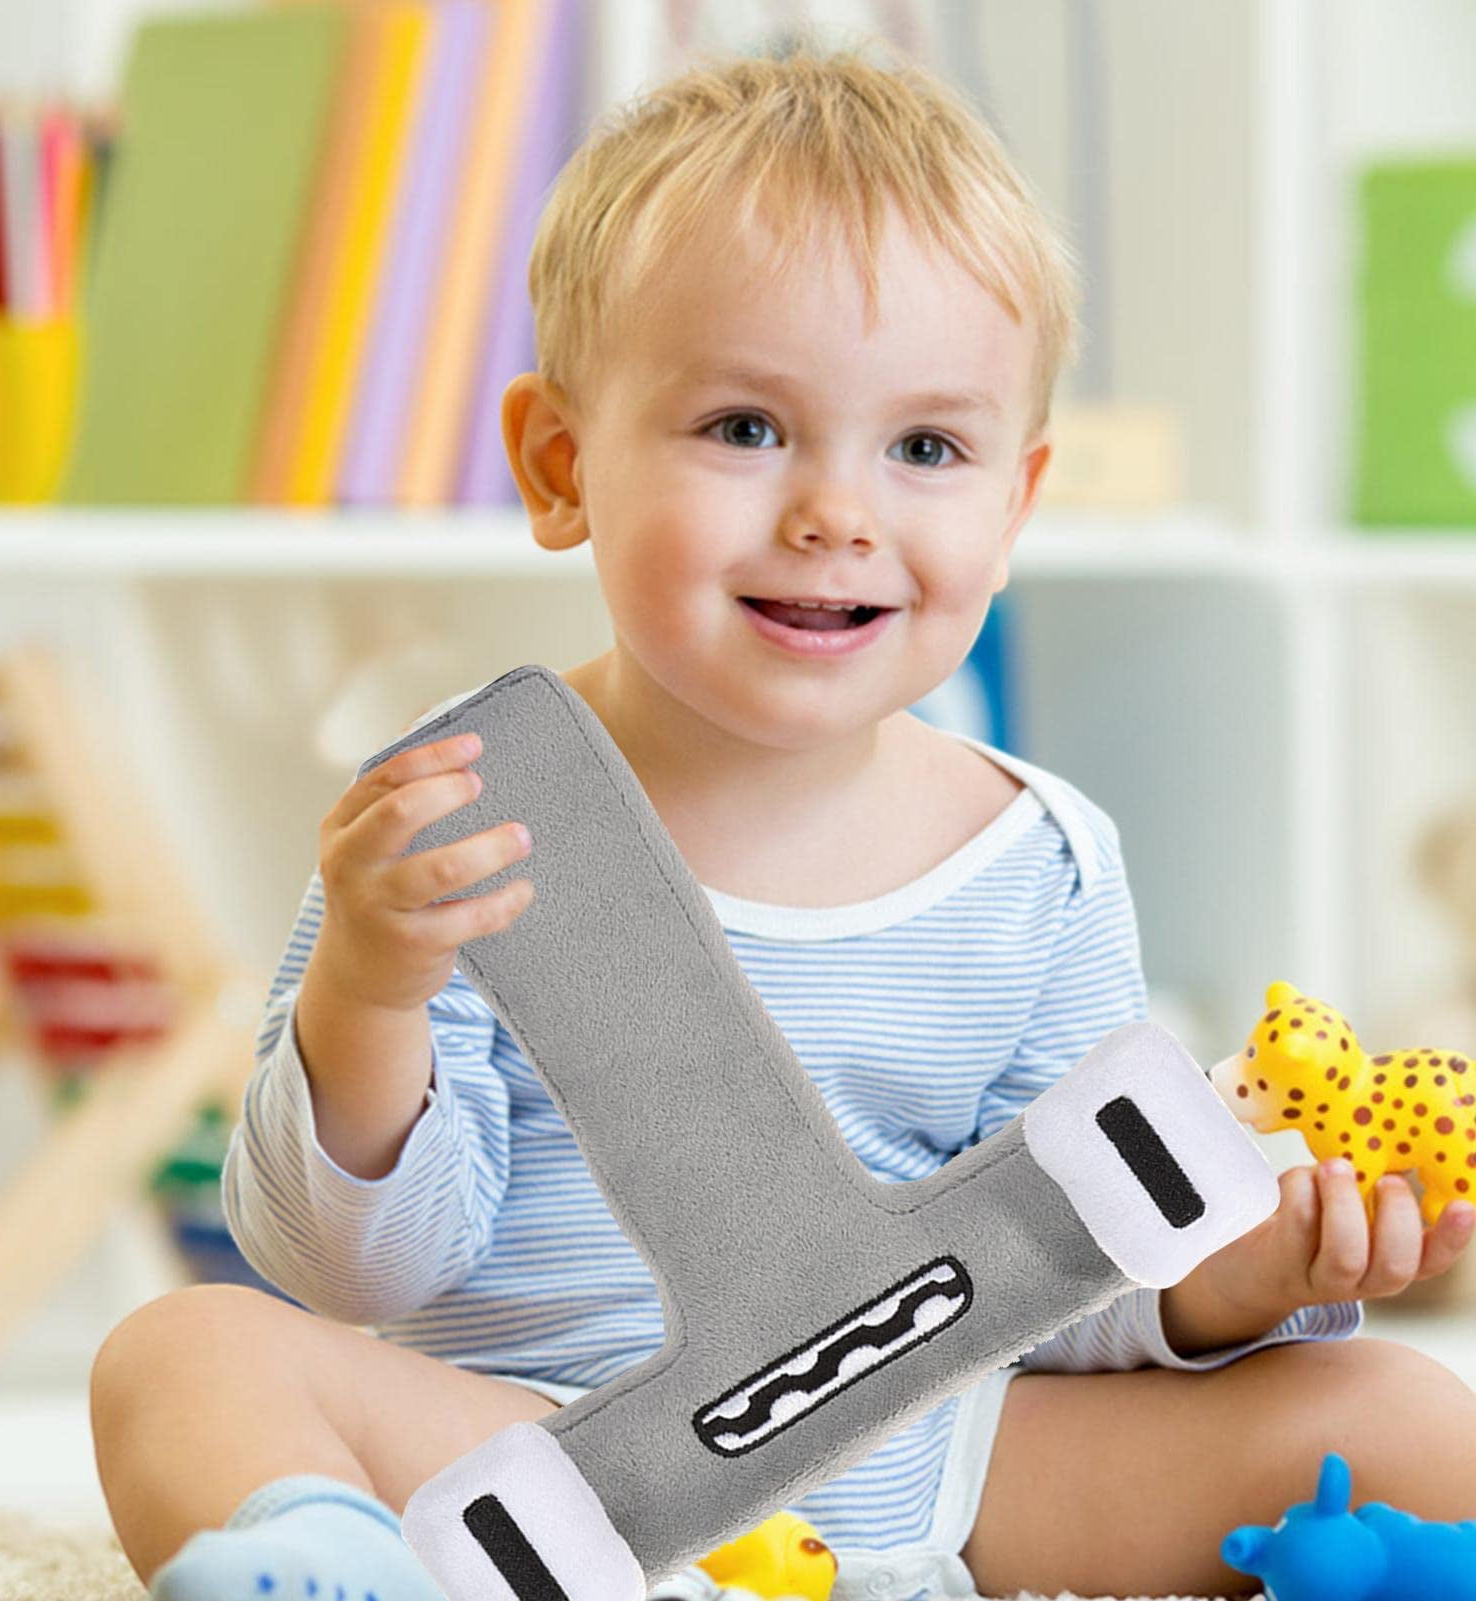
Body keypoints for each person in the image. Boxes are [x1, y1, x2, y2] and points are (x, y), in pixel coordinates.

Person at [90, 40, 1476, 1601]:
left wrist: (1247, 1277)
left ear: (1012, 511)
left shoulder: (1041, 859)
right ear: (561, 464)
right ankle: (345, 1572)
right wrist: (369, 987)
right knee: (184, 1353)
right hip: (546, 1465)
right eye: (746, 427)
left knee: (1412, 1417)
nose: (837, 509)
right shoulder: (460, 817)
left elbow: (1067, 1282)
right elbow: (348, 1268)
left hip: (940, 1467)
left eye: (925, 448)